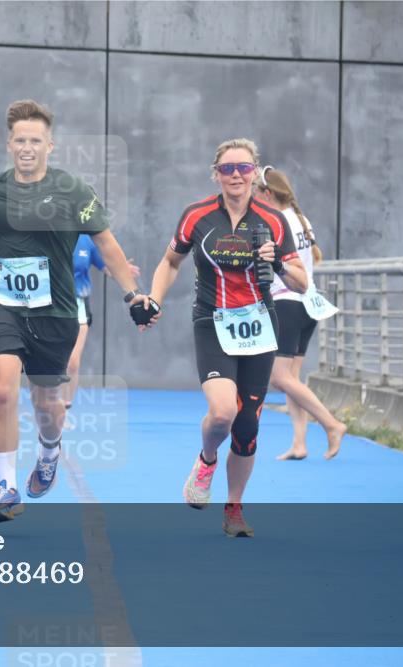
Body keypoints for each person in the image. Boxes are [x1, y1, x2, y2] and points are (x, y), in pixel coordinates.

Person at [0, 99, 146, 524]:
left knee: (46, 404)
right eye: (20, 140)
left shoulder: (73, 190)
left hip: (55, 312)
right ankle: (6, 486)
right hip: (2, 304)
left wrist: (133, 295)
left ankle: (49, 450)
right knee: (1, 390)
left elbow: (107, 244)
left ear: (49, 146)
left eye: (35, 140)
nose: (27, 147)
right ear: (9, 145)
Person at [145, 138, 307, 537]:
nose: (236, 175)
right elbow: (170, 262)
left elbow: (302, 282)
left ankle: (233, 509)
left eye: (244, 168)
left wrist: (279, 267)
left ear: (255, 173)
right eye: (228, 168)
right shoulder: (196, 216)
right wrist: (154, 298)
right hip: (213, 320)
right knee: (222, 412)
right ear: (215, 173)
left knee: (248, 425)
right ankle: (206, 459)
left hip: (258, 324)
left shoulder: (273, 220)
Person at [256, 166, 346, 460]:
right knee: (292, 377)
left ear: (267, 194)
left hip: (289, 301)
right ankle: (299, 443)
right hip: (308, 301)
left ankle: (331, 424)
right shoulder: (301, 218)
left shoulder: (278, 219)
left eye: (257, 194)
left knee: (279, 377)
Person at [62, 234, 140, 417]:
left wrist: (122, 269)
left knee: (72, 362)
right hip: (52, 306)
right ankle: (47, 408)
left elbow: (107, 268)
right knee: (51, 362)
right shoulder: (50, 234)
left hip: (78, 304)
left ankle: (64, 409)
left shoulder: (87, 241)